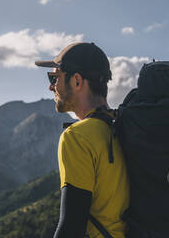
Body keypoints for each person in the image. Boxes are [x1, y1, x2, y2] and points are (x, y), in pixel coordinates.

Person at [35, 42, 129, 238]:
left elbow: (71, 227)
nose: (51, 86)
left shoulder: (77, 137)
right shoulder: (124, 125)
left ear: (77, 81)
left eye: (54, 78)